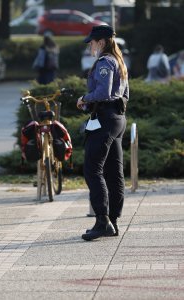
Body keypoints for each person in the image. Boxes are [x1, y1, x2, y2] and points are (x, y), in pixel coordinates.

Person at [76, 25, 129, 241]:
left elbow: (103, 92)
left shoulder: (105, 62)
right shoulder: (119, 61)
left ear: (102, 42)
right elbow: (124, 94)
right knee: (114, 173)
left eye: (92, 41)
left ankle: (102, 220)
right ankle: (113, 222)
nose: (90, 45)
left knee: (92, 169)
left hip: (105, 120)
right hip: (118, 119)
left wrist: (84, 99)